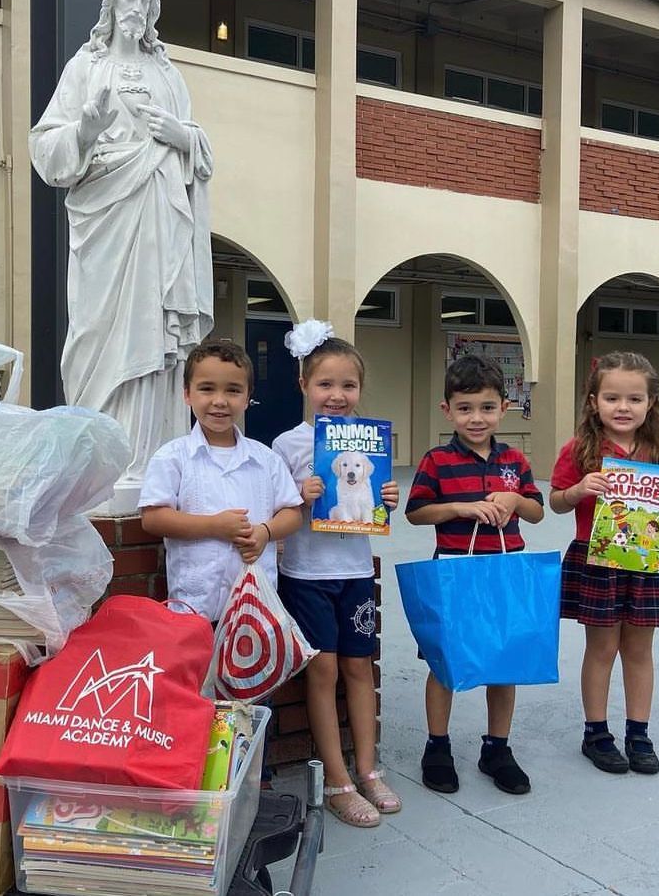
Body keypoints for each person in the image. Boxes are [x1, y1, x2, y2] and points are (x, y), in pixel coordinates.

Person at [31, 0, 215, 510]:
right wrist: (85, 130)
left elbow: (200, 153)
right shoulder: (84, 67)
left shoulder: (168, 74)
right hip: (104, 217)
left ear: (153, 8)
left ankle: (152, 456)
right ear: (110, 3)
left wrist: (183, 136)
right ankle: (103, 459)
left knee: (155, 332)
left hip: (159, 211)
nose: (134, 7)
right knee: (99, 328)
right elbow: (47, 148)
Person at [271, 320, 401, 828]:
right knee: (322, 672)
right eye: (325, 383)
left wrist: (387, 498)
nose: (337, 395)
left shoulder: (370, 441)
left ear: (360, 390)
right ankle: (337, 778)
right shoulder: (287, 445)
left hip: (354, 570)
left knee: (360, 668)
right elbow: (275, 510)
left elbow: (374, 502)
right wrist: (296, 497)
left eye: (348, 385)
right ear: (304, 385)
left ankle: (368, 769)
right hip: (305, 573)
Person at [548, 351, 659, 775]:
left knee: (639, 649)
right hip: (597, 559)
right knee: (601, 649)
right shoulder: (578, 449)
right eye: (612, 397)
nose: (623, 407)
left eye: (634, 399)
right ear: (593, 400)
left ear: (651, 403)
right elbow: (556, 502)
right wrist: (578, 490)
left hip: (647, 559)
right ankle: (596, 732)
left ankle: (638, 733)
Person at [405, 355, 545, 795]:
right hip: (455, 572)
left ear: (504, 408)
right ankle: (438, 745)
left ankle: (496, 747)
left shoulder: (516, 461)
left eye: (486, 407)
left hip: (505, 570)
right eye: (465, 408)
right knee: (444, 660)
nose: (476, 418)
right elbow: (415, 513)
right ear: (447, 410)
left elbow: (537, 511)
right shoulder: (437, 460)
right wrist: (462, 508)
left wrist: (513, 500)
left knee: (505, 662)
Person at [139, 340, 302, 621]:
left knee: (254, 666)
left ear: (248, 396)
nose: (219, 401)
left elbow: (292, 513)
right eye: (207, 389)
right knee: (203, 666)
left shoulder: (266, 458)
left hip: (257, 607)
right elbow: (153, 518)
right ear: (187, 394)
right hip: (197, 606)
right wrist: (214, 526)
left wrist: (265, 531)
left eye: (233, 390)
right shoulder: (172, 457)